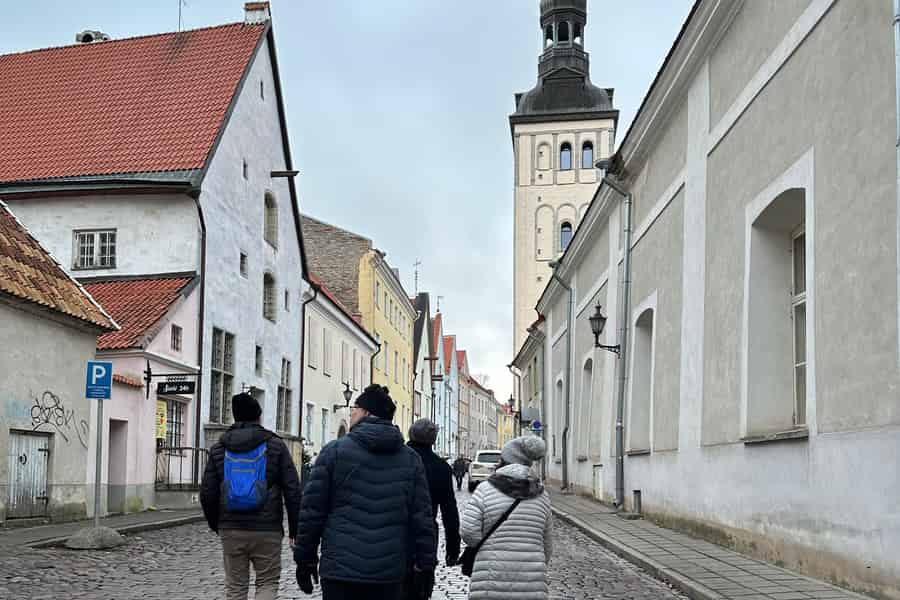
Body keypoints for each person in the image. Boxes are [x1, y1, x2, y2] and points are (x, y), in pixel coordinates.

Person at [293, 385, 436, 600]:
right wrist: (425, 566)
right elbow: (422, 517)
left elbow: (312, 511)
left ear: (367, 413)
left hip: (341, 571)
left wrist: (305, 559)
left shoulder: (334, 452)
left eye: (355, 408)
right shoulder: (410, 459)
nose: (351, 412)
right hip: (389, 571)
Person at [200, 392, 302, 600]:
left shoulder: (219, 447)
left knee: (236, 587)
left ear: (235, 417)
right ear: (258, 417)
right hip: (267, 528)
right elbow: (293, 490)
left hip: (231, 527)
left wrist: (216, 524)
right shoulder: (275, 445)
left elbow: (207, 492)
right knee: (267, 582)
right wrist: (295, 529)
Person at [460, 436, 552, 600]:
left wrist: (486, 546)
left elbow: (468, 532)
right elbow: (547, 543)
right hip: (531, 580)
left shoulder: (484, 490)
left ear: (505, 461)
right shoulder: (542, 495)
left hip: (490, 576)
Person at [407, 419, 461, 576]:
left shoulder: (396, 459)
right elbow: (449, 511)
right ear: (434, 439)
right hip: (426, 533)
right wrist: (453, 548)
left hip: (392, 532)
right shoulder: (441, 467)